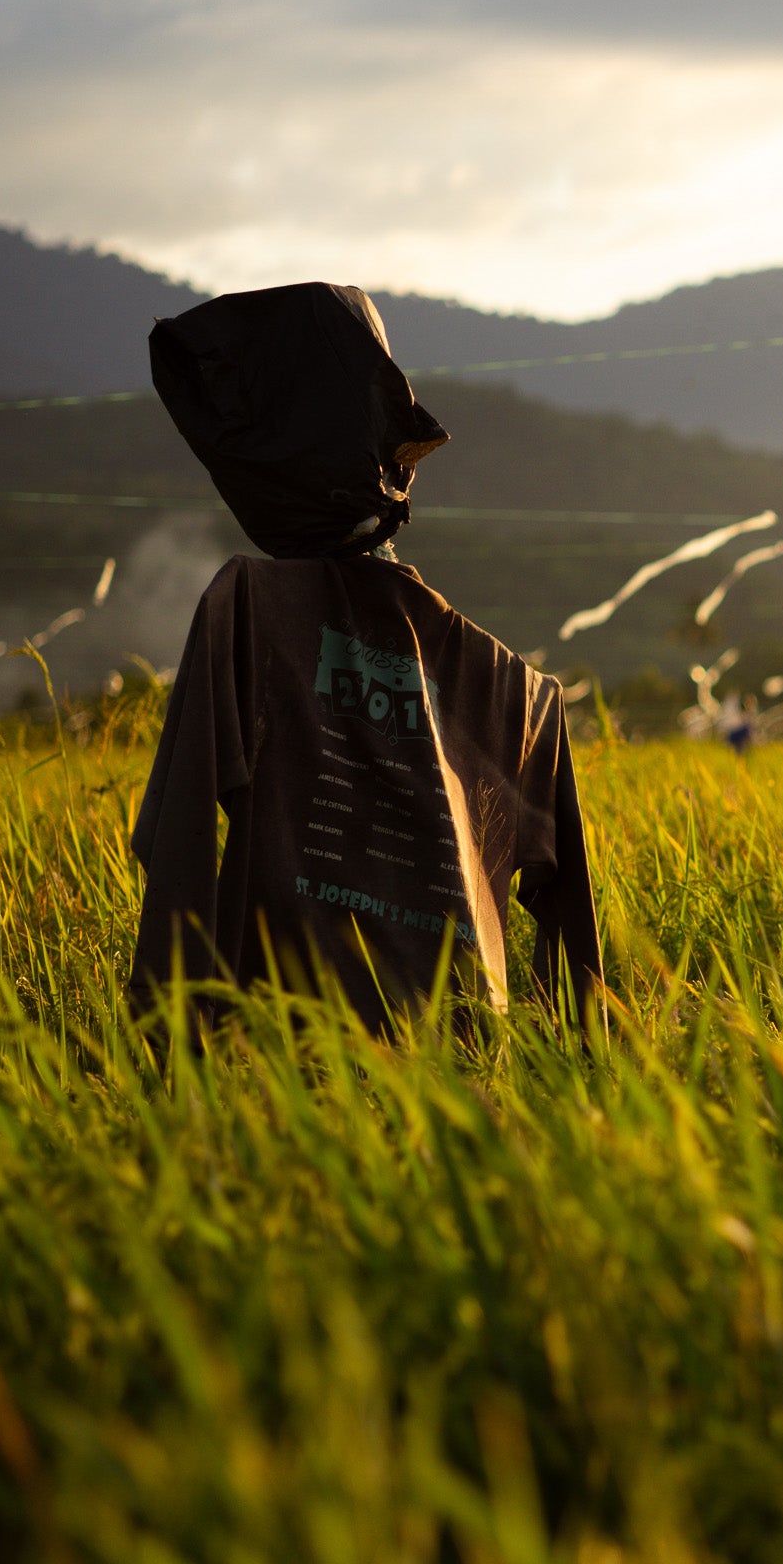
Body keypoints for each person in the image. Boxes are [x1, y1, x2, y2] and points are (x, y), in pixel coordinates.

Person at [126, 282, 601, 1024]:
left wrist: (170, 1054)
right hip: (468, 1086)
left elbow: (176, 849)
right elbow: (580, 980)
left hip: (288, 1068)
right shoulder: (518, 689)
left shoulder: (248, 610)